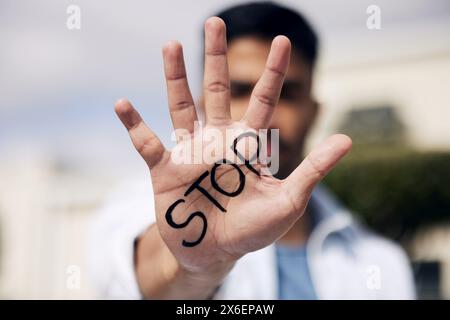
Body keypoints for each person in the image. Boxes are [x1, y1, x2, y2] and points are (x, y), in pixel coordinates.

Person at [89, 2, 415, 299]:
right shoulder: (139, 207)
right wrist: (190, 267)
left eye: (286, 94)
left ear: (313, 112)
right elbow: (142, 279)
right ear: (206, 106)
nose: (265, 116)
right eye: (240, 90)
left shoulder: (381, 263)